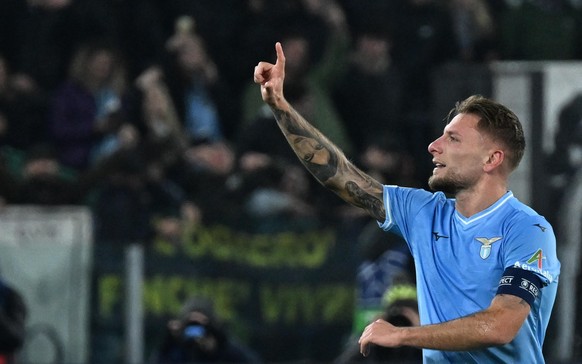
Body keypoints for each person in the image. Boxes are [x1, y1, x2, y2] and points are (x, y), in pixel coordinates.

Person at [253, 42, 560, 363]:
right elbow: (341, 177)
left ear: (492, 159)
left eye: (452, 139)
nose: (433, 145)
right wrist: (281, 107)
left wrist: (403, 335)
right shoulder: (423, 213)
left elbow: (501, 324)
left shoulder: (527, 230)